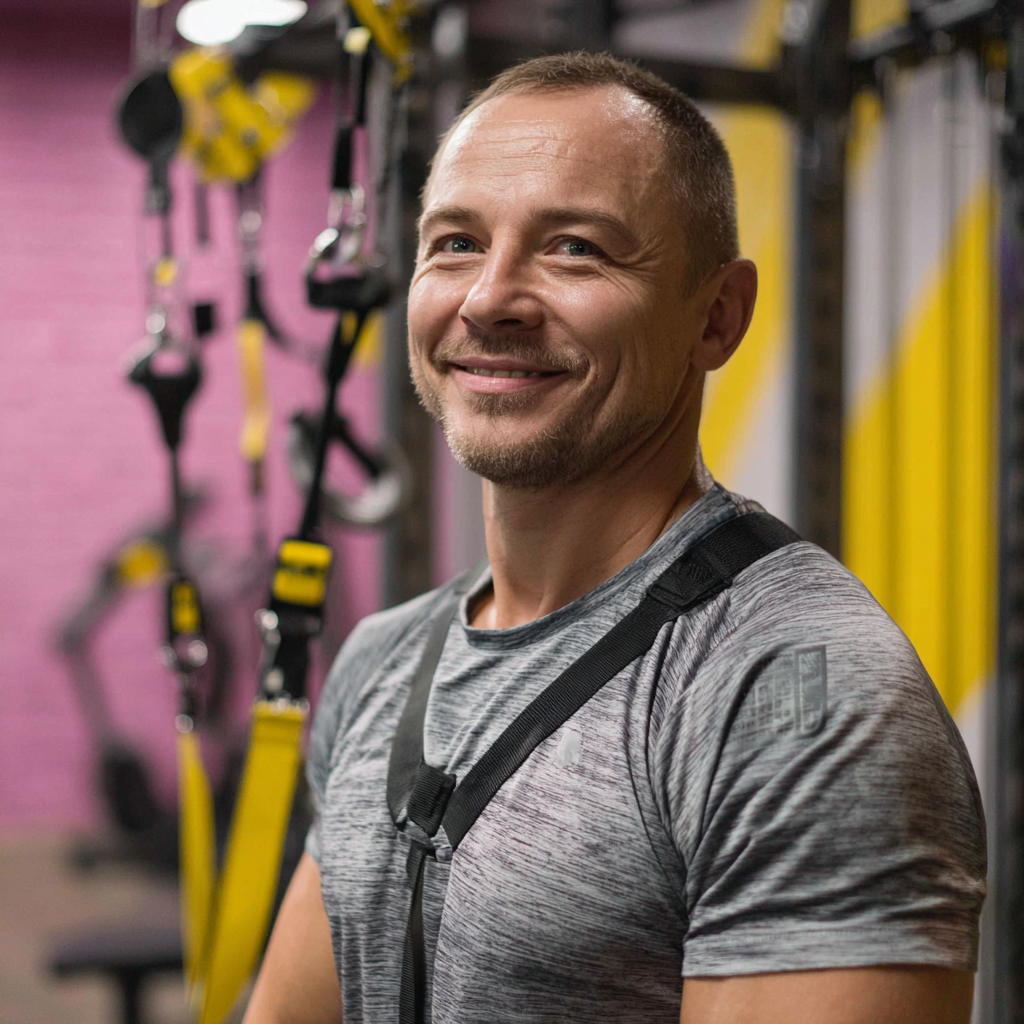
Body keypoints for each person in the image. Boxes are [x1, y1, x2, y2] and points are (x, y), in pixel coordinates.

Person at [244, 52, 986, 1024]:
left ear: (716, 316)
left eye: (575, 249)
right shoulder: (382, 660)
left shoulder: (798, 694)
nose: (487, 298)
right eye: (456, 242)